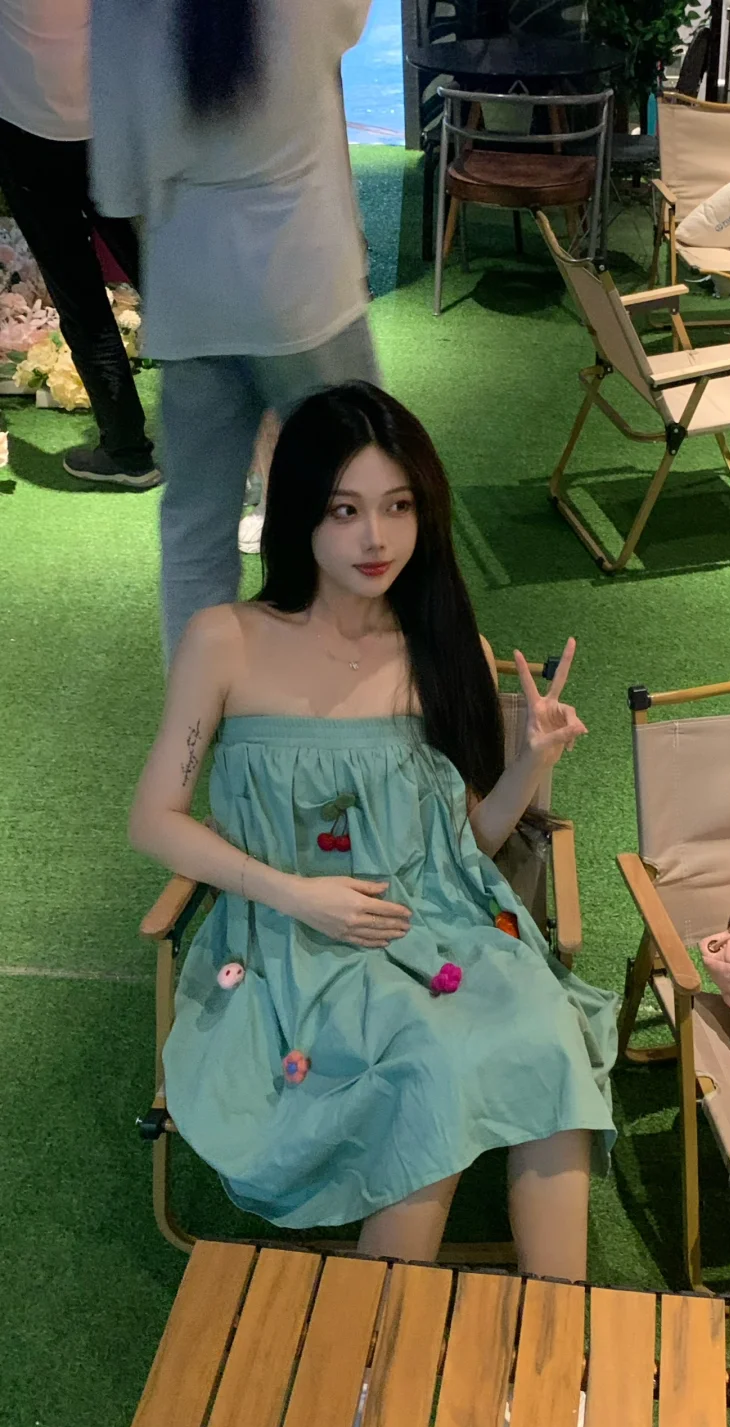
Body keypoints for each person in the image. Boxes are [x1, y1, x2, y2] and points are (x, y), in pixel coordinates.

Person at [129, 383, 618, 1278]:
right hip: (291, 940)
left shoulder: (445, 647)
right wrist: (296, 894)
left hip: (442, 924)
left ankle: (562, 1328)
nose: (376, 539)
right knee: (427, 1060)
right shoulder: (225, 640)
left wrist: (529, 764)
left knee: (550, 1038)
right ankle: (378, 1344)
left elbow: (460, 844)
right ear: (300, 515)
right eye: (345, 510)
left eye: (398, 507)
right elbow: (153, 819)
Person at [90, 0, 382, 662]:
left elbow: (115, 182)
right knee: (360, 503)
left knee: (196, 529)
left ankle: (197, 709)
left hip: (190, 283)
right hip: (305, 277)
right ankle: (356, 689)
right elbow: (348, 25)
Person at [0, 0, 158, 488]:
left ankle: (127, 450)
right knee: (163, 279)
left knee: (81, 299)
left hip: (28, 137)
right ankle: (233, 433)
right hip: (110, 126)